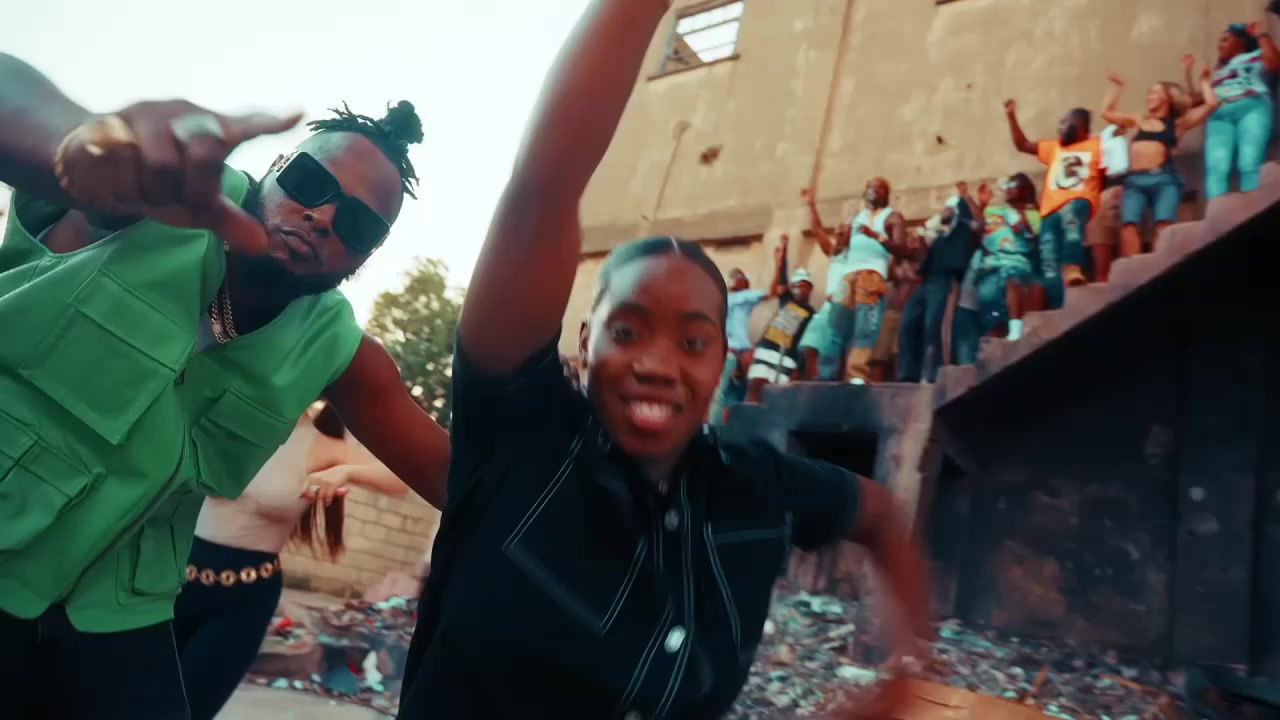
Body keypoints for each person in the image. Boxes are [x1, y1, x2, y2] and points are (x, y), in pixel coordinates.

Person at [395, 2, 931, 718]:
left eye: (692, 341)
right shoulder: (521, 441)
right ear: (584, 342)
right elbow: (546, 183)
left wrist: (904, 672)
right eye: (627, 331)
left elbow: (881, 515)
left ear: (723, 359)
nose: (657, 364)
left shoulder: (756, 487)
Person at [0, 55, 450, 718]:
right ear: (274, 169)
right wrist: (79, 143)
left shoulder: (336, 349)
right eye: (309, 182)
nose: (322, 216)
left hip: (114, 611)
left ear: (367, 256)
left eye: (357, 225)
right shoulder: (162, 200)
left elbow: (468, 483)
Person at [175, 401, 407, 720]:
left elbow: (401, 478)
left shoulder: (320, 445)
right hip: (169, 579)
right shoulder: (221, 411)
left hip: (241, 601)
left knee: (190, 708)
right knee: (130, 696)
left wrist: (346, 471)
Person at [798, 183, 917, 384]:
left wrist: (876, 236)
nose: (872, 191)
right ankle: (826, 374)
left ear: (886, 194)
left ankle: (857, 374)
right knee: (836, 325)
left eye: (878, 188)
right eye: (869, 187)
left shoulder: (892, 216)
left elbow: (902, 249)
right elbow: (837, 248)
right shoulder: (856, 217)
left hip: (871, 275)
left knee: (865, 328)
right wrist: (842, 234)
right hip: (848, 276)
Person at [1101, 67, 1217, 257]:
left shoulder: (1178, 124)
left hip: (1164, 179)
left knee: (1163, 225)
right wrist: (1116, 87)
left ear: (1167, 98)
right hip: (1134, 181)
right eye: (1149, 93)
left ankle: (1158, 266)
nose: (1149, 96)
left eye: (1154, 92)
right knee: (1129, 225)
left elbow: (1211, 104)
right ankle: (1133, 268)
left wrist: (1204, 81)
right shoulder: (1138, 120)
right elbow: (1107, 112)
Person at [1004, 99, 1103, 310]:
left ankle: (1072, 267)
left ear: (1081, 126)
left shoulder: (1097, 145)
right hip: (1049, 212)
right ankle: (1060, 305)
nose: (1060, 128)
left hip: (1078, 200)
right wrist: (1011, 116)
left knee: (1070, 216)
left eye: (1066, 123)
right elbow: (1022, 144)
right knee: (1048, 260)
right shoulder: (1054, 147)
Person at [897, 183, 981, 383]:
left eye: (948, 207)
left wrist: (966, 197)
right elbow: (924, 264)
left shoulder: (964, 231)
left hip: (946, 281)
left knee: (934, 326)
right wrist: (919, 244)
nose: (943, 210)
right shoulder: (940, 237)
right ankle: (909, 373)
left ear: (957, 211)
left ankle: (935, 373)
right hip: (927, 282)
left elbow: (978, 223)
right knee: (907, 323)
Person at [1199, 14, 1280, 199]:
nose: (1219, 45)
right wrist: (1196, 77)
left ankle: (1252, 212)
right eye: (1219, 42)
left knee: (1249, 162)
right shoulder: (1220, 70)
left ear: (1241, 40)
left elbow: (1274, 63)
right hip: (1218, 114)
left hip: (1251, 107)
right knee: (1216, 167)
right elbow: (1198, 98)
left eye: (1225, 40)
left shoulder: (1256, 56)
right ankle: (1217, 213)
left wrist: (1261, 34)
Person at [708, 238, 786, 425]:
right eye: (734, 276)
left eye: (739, 276)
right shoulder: (719, 297)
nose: (735, 278)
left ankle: (739, 426)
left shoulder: (746, 296)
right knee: (721, 393)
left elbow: (773, 291)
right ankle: (716, 430)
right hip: (728, 349)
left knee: (745, 390)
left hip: (741, 349)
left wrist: (779, 263)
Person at [968, 175, 1041, 342]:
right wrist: (982, 204)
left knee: (1012, 281)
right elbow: (977, 228)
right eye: (1008, 184)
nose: (1008, 187)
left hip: (1014, 261)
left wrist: (1021, 213)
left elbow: (1031, 238)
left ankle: (1015, 330)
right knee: (988, 302)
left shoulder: (1033, 214)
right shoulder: (993, 211)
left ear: (1025, 190)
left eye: (1013, 184)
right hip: (989, 264)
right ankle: (994, 336)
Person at [743, 243, 817, 403]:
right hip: (766, 349)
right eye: (797, 286)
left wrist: (799, 366)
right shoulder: (787, 300)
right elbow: (782, 278)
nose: (801, 289)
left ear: (810, 288)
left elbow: (805, 342)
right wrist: (782, 257)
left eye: (804, 286)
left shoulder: (812, 314)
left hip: (787, 357)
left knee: (777, 396)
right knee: (755, 388)